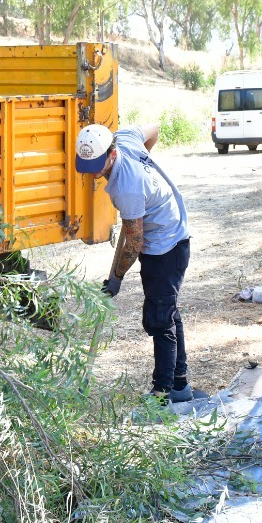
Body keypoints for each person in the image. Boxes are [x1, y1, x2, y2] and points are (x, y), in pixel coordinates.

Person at [74, 122, 204, 402]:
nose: (93, 173)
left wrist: (116, 279)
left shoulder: (128, 188)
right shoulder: (124, 137)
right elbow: (154, 128)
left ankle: (163, 394)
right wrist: (147, 164)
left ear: (111, 154)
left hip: (166, 244)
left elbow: (133, 244)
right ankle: (180, 386)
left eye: (97, 165)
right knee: (167, 311)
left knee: (160, 319)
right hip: (171, 230)